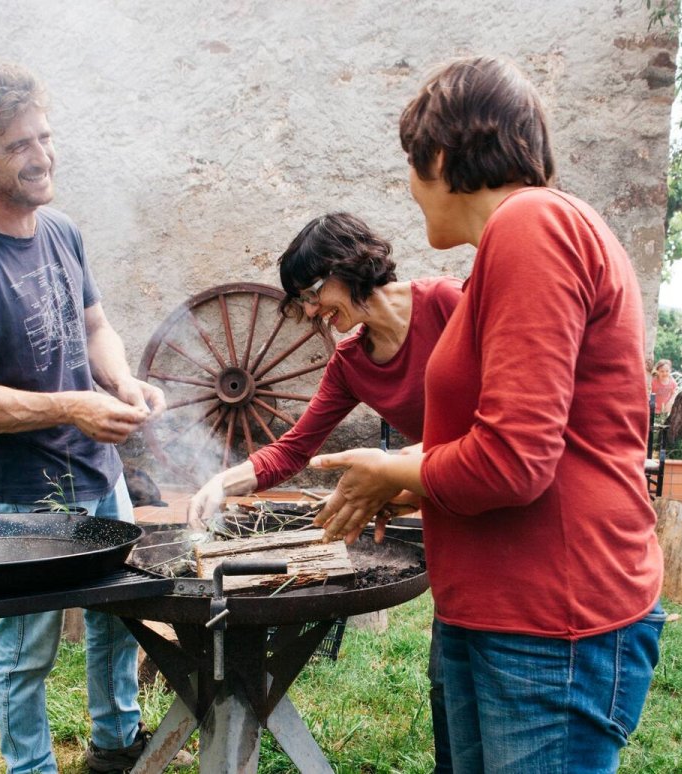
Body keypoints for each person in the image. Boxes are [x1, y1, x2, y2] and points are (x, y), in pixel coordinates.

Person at [310, 56, 665, 773]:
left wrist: (396, 465)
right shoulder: (502, 253)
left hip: (551, 622)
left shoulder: (533, 222)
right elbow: (534, 442)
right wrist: (415, 483)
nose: (409, 190)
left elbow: (514, 461)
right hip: (496, 612)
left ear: (439, 156)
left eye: (411, 165)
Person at [0, 62, 166, 774]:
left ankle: (116, 746)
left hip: (99, 470)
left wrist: (119, 381)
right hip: (28, 490)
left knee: (118, 622)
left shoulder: (60, 232)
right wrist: (69, 407)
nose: (41, 156)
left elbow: (95, 329)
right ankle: (32, 769)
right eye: (19, 145)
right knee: (29, 647)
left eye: (44, 137)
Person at [187, 210, 462, 771]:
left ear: (351, 265)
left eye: (313, 292)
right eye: (303, 302)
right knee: (450, 687)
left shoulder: (452, 305)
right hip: (448, 504)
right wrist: (224, 481)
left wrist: (395, 470)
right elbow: (293, 449)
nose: (312, 311)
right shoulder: (352, 360)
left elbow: (496, 421)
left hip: (473, 486)